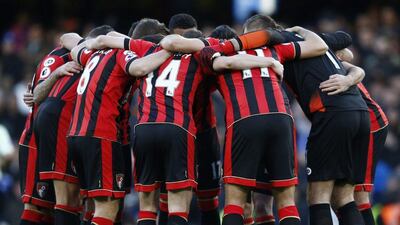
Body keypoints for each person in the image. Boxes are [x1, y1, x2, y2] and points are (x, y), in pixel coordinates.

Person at [200, 22, 329, 225]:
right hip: (281, 119)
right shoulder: (272, 49)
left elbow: (211, 59)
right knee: (286, 203)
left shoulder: (213, 53)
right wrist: (297, 32)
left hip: (245, 121)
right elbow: (319, 46)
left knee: (235, 203)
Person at [249, 14, 370, 225]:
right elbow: (345, 41)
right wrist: (352, 76)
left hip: (331, 113)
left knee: (318, 196)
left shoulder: (279, 43)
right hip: (358, 112)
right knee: (344, 197)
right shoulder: (309, 40)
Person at [64, 23, 172, 225]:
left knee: (93, 207)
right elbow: (139, 67)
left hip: (76, 135)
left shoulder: (93, 54)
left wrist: (94, 42)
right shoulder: (122, 52)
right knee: (108, 207)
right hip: (100, 134)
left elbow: (69, 41)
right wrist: (169, 51)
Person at [320, 48, 389, 225]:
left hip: (369, 124)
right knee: (339, 196)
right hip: (350, 127)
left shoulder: (320, 55)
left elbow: (355, 63)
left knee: (358, 196)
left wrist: (347, 80)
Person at [18, 45, 76, 225]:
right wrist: (57, 73)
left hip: (57, 140)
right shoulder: (58, 57)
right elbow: (36, 95)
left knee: (51, 208)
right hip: (36, 141)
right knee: (36, 207)